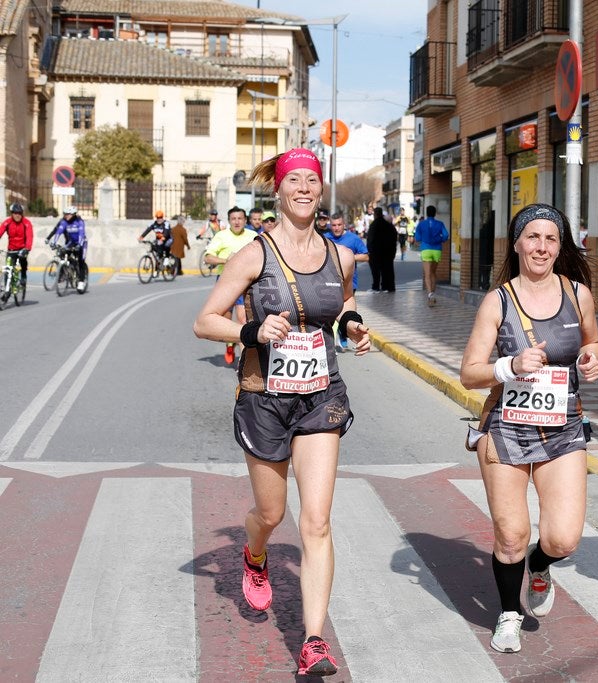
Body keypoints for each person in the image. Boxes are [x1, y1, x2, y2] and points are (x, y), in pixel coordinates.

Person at [193, 148, 370, 677]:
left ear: (320, 190)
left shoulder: (339, 255)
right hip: (264, 397)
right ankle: (255, 553)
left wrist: (353, 326)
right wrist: (252, 331)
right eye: (294, 181)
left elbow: (340, 304)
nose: (304, 190)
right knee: (271, 514)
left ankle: (313, 640)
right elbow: (205, 321)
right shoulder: (254, 254)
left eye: (311, 182)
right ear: (280, 189)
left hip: (320, 394)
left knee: (315, 521)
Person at [459, 203, 598, 654]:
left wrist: (590, 357)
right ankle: (508, 613)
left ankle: (538, 568)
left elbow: (592, 340)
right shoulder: (497, 300)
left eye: (551, 239)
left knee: (563, 537)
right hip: (506, 427)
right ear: (517, 242)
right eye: (533, 237)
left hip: (563, 427)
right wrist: (509, 365)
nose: (542, 247)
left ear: (561, 246)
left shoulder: (578, 294)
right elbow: (469, 372)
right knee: (511, 533)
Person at [204, 206, 258, 364]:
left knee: (243, 319)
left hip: (245, 281)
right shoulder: (221, 236)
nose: (237, 222)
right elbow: (208, 258)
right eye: (233, 219)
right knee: (226, 319)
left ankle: (244, 361)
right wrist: (226, 260)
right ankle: (229, 344)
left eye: (240, 218)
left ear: (245, 220)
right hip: (225, 281)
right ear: (229, 221)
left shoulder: (252, 236)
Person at [325, 212, 369, 352]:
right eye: (333, 225)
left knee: (344, 310)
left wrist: (347, 258)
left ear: (344, 225)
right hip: (327, 283)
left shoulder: (353, 239)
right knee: (330, 313)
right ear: (330, 225)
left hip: (349, 283)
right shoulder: (325, 239)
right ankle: (329, 340)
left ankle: (343, 338)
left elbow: (365, 257)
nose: (336, 228)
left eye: (339, 225)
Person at [412, 205, 450, 308]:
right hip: (437, 250)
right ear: (435, 213)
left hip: (425, 249)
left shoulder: (421, 224)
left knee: (427, 274)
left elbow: (418, 237)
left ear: (426, 212)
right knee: (433, 273)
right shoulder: (440, 224)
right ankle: (433, 293)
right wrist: (440, 240)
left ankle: (430, 295)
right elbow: (446, 235)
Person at [50, 206, 89, 292]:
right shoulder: (64, 222)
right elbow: (58, 232)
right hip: (71, 242)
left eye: (68, 214)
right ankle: (65, 273)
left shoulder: (79, 222)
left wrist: (79, 245)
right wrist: (54, 242)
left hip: (82, 242)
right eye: (65, 214)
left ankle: (81, 281)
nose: (66, 216)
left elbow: (81, 234)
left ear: (73, 214)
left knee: (81, 261)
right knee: (63, 252)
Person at [0, 203, 33, 292]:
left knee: (23, 262)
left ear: (22, 213)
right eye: (15, 213)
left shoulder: (26, 223)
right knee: (8, 267)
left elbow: (30, 236)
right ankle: (8, 289)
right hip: (11, 249)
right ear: (12, 213)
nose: (17, 215)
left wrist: (27, 248)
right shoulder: (7, 222)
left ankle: (23, 276)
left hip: (23, 248)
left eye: (19, 213)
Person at [365, 206, 397, 292]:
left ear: (375, 214)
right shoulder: (389, 226)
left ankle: (376, 286)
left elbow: (370, 239)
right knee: (388, 270)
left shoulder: (374, 225)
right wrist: (393, 251)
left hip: (376, 252)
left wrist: (369, 251)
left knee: (376, 271)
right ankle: (388, 286)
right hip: (388, 252)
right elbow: (394, 238)